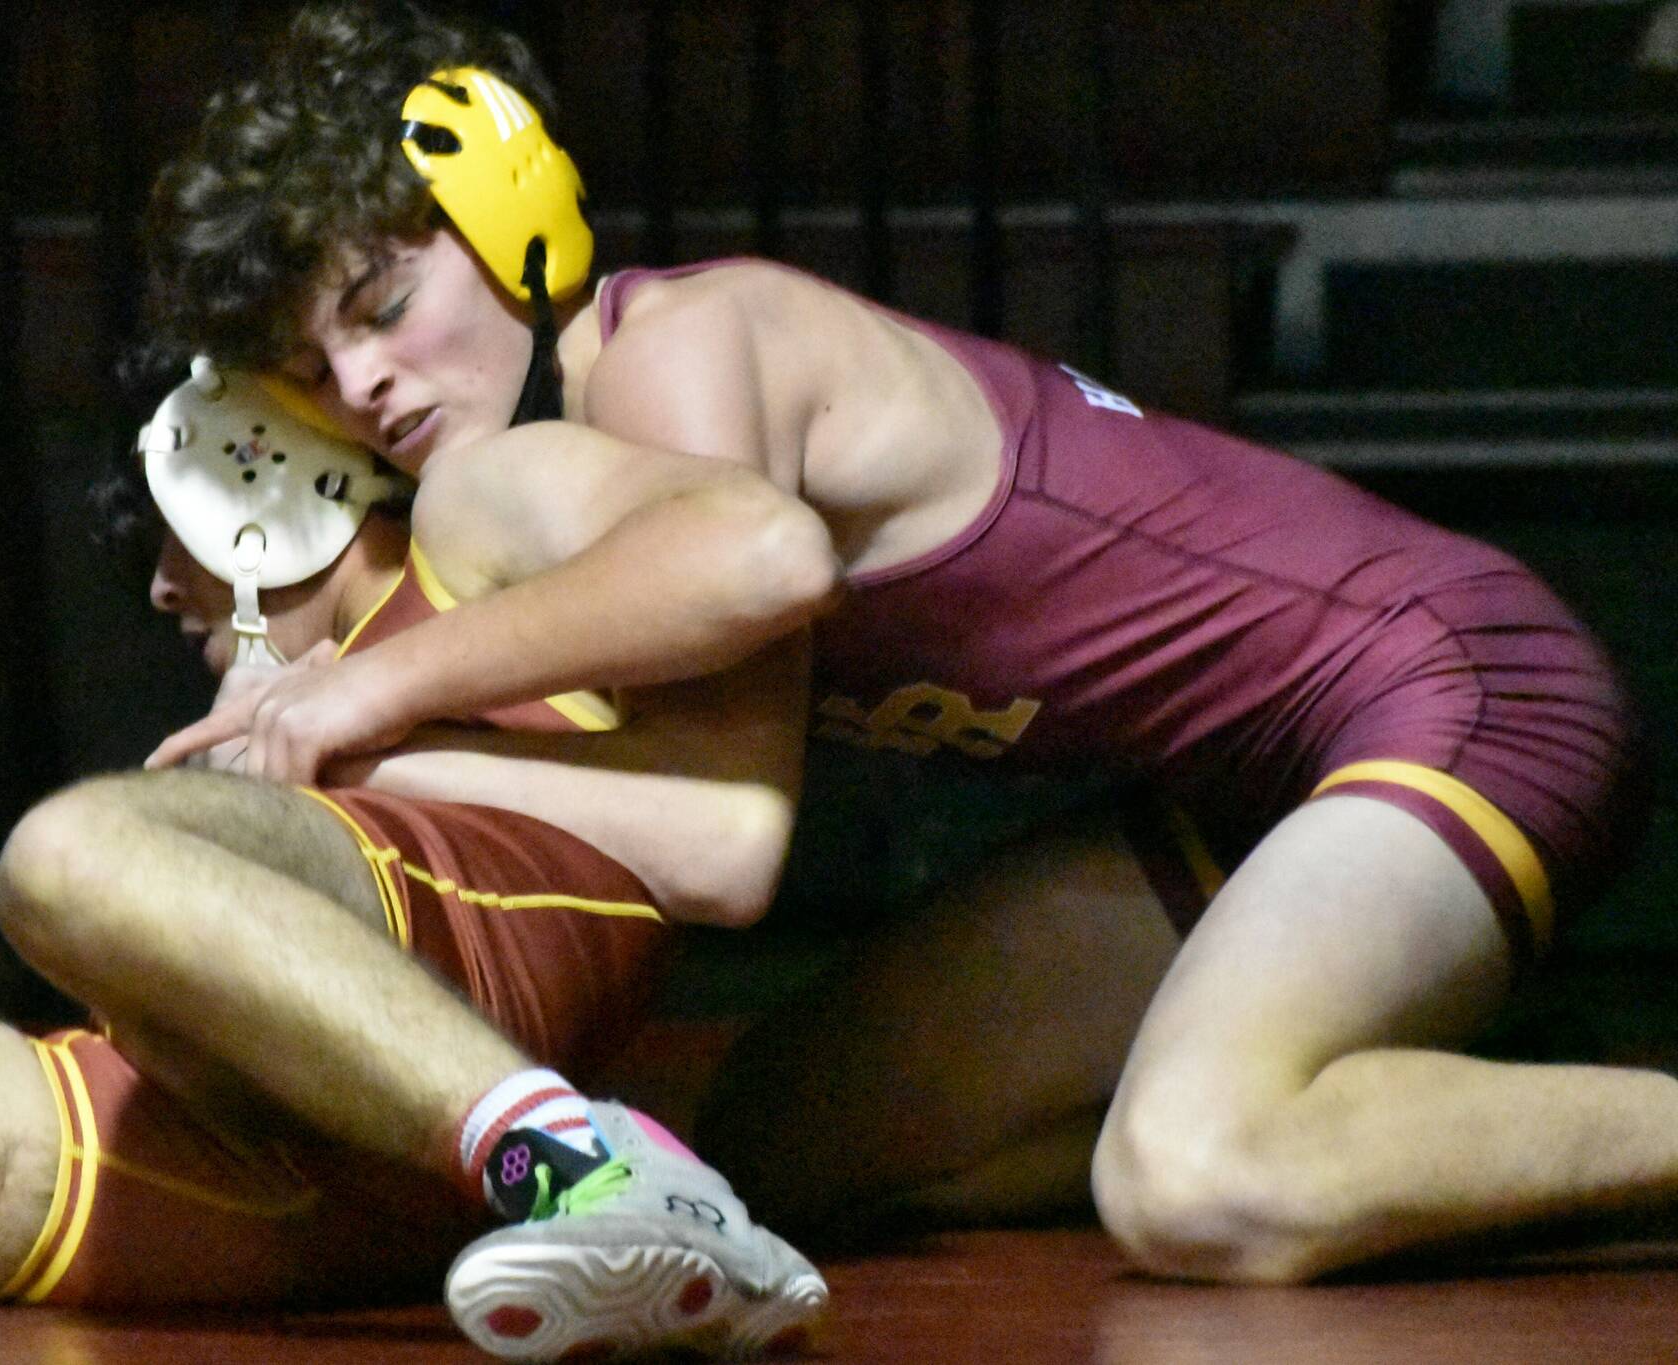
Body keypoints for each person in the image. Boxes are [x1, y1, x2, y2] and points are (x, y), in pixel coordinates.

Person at [142, 0, 1658, 1286]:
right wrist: (324, 713)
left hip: (1461, 686)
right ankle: (1452, 1096)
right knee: (774, 1145)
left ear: (510, 210)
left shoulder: (679, 350)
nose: (369, 383)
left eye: (388, 303)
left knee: (1191, 1176)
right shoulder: (567, 492)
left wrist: (373, 693)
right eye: (313, 369)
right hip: (1243, 801)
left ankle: (1418, 1116)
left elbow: (738, 780)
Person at [0, 364, 826, 1361]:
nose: (158, 586)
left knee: (72, 850)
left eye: (169, 533)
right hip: (329, 1170)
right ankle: (556, 1172)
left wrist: (364, 705)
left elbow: (757, 561)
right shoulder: (273, 761)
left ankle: (585, 1168)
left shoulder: (470, 519)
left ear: (258, 472)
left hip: (473, 968)